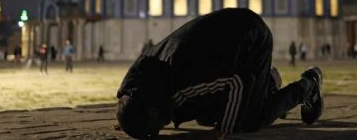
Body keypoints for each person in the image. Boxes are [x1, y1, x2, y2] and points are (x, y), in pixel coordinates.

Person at [115, 8, 324, 139]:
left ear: (152, 111)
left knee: (248, 121)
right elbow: (129, 99)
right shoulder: (144, 82)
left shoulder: (182, 81)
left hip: (250, 38)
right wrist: (130, 121)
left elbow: (238, 81)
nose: (160, 130)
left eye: (154, 130)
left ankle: (307, 85)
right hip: (225, 43)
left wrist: (223, 130)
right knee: (207, 115)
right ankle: (267, 84)